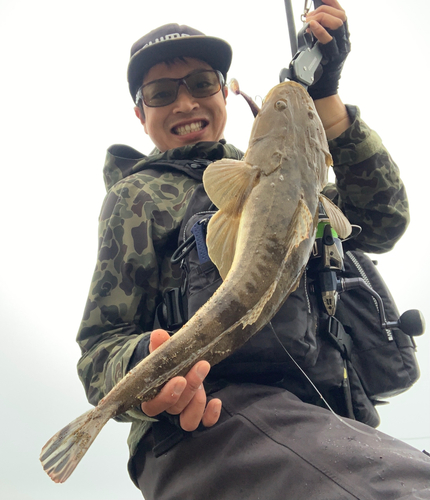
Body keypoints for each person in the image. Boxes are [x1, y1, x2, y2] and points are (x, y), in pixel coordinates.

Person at [76, 1, 430, 498]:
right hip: (211, 423)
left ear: (225, 91)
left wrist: (326, 100)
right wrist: (152, 373)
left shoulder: (283, 183)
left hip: (335, 422)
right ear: (140, 112)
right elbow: (99, 345)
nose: (185, 103)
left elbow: (381, 221)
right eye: (160, 93)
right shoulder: (135, 199)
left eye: (201, 83)